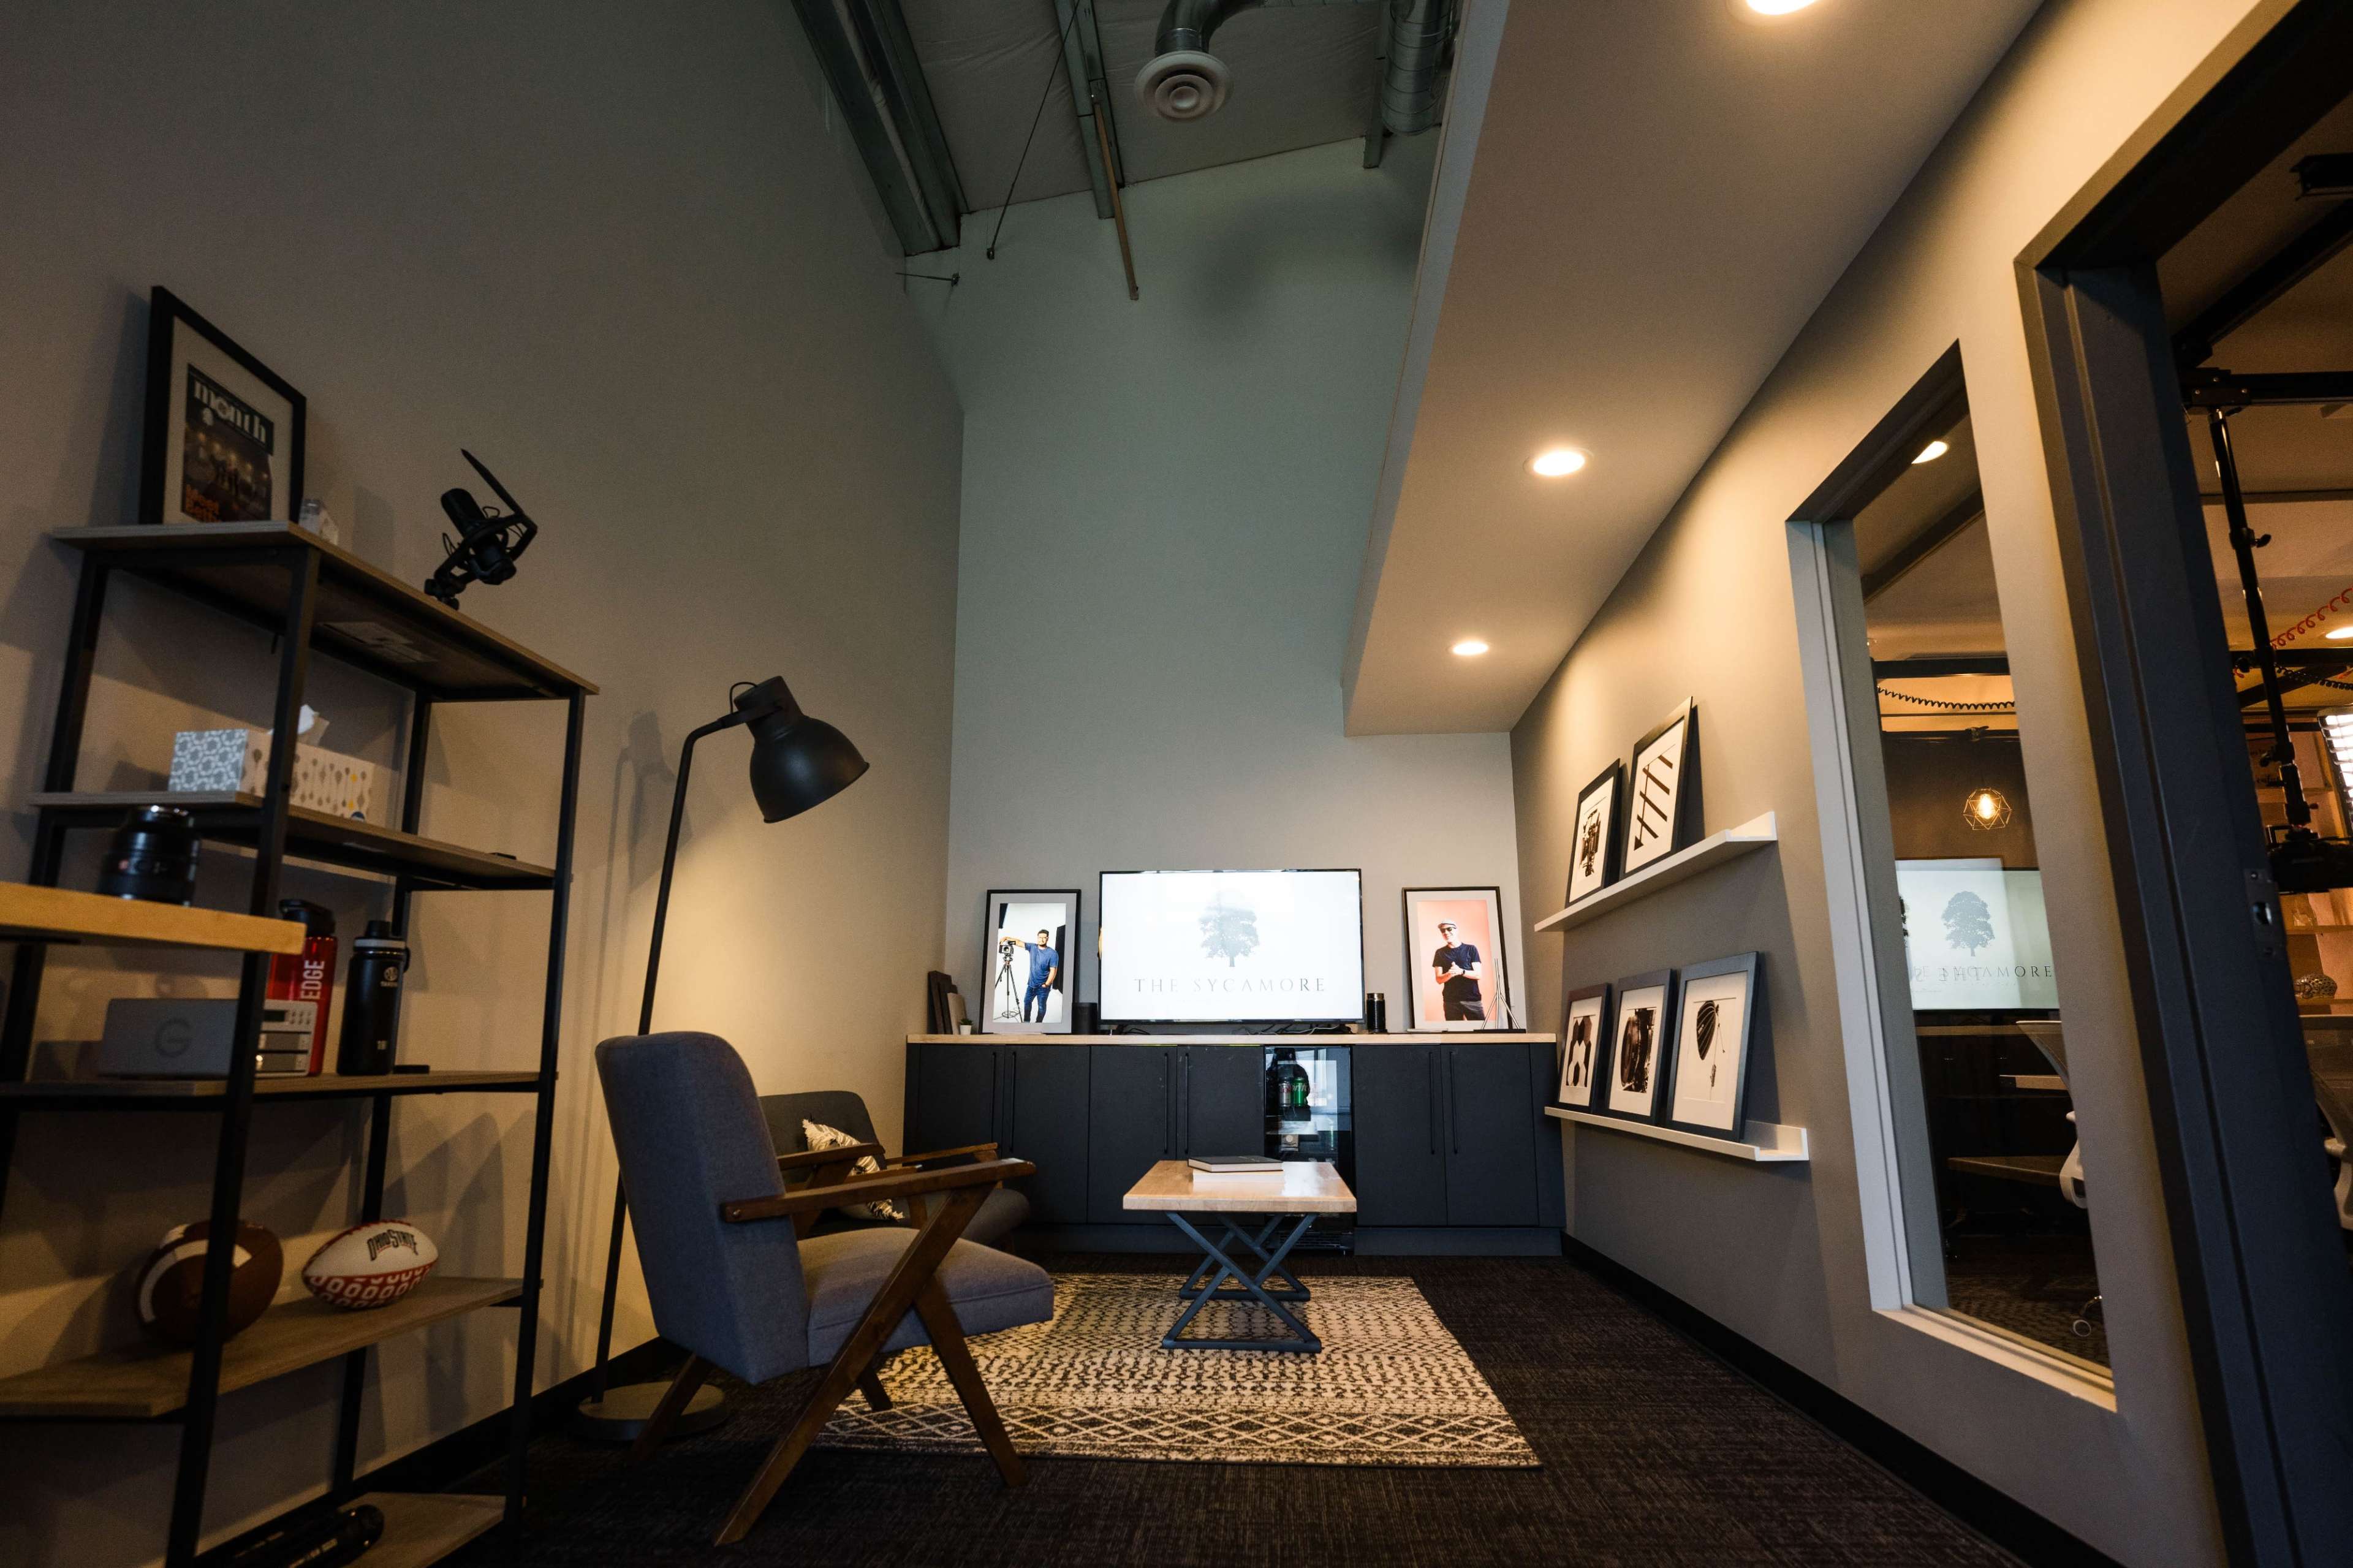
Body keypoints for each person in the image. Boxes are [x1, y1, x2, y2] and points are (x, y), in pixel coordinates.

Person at [1431, 920, 1485, 1022]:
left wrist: (1461, 971)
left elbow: (1478, 975)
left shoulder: (1471, 949)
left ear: (1457, 930)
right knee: (1454, 1036)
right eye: (1443, 930)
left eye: (1449, 929)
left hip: (1472, 1000)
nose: (1446, 932)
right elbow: (1439, 979)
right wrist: (1450, 974)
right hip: (1451, 1002)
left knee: (1481, 1034)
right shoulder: (1440, 953)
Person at [1006, 927, 1060, 1024]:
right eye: (1040, 937)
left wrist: (1047, 984)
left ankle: (1038, 1023)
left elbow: (1053, 971)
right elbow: (1018, 942)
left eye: (1044, 938)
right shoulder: (1033, 947)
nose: (1041, 939)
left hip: (1043, 987)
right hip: (1031, 985)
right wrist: (1006, 938)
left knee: (1041, 1006)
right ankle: (1027, 1022)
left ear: (1047, 939)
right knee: (1027, 1002)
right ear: (1037, 938)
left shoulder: (1052, 953)